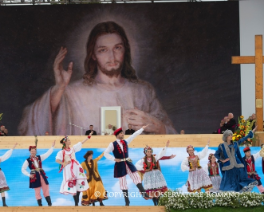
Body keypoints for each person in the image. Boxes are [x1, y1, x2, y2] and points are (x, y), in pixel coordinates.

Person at [18, 21, 177, 136]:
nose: (112, 56)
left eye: (117, 48)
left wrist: (157, 127)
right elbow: (30, 126)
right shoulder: (74, 93)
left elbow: (173, 136)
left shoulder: (143, 91)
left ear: (125, 50)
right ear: (93, 54)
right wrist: (59, 88)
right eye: (103, 50)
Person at [104, 125, 151, 206]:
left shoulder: (125, 141)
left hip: (128, 162)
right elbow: (105, 153)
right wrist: (114, 159)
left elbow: (134, 135)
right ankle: (127, 201)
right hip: (120, 164)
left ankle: (144, 193)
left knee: (136, 177)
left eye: (123, 133)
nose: (123, 134)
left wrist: (142, 128)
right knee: (122, 182)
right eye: (121, 133)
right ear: (117, 135)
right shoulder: (112, 144)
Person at [214, 127, 258, 192]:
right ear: (226, 137)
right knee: (229, 183)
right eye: (229, 135)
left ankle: (241, 191)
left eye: (231, 135)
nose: (231, 136)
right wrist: (222, 160)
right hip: (228, 167)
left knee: (240, 180)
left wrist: (250, 133)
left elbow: (243, 139)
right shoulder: (221, 146)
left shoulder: (235, 144)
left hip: (237, 165)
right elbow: (216, 154)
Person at [55, 133, 92, 206]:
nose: (69, 141)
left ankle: (76, 202)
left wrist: (88, 137)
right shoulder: (62, 152)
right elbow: (57, 160)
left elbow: (81, 143)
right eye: (68, 140)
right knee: (72, 184)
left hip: (76, 167)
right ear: (65, 142)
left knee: (78, 183)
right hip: (68, 169)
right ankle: (76, 203)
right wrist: (63, 163)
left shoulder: (73, 148)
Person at [135, 141, 173, 206]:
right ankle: (155, 204)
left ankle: (159, 203)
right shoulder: (143, 160)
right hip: (149, 176)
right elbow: (136, 165)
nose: (149, 153)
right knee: (152, 191)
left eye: (150, 151)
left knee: (158, 190)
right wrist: (143, 168)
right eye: (148, 151)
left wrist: (166, 146)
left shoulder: (155, 157)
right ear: (145, 152)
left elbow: (161, 154)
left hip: (156, 175)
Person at [21, 140, 55, 206]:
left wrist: (52, 147)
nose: (33, 152)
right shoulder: (27, 160)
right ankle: (40, 206)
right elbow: (23, 169)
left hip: (41, 175)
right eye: (32, 151)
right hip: (34, 176)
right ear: (30, 152)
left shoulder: (39, 157)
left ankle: (50, 205)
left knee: (46, 188)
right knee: (37, 191)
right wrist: (29, 175)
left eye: (34, 151)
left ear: (36, 151)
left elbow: (47, 154)